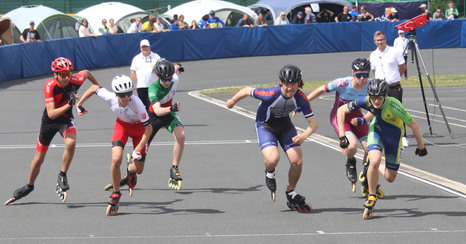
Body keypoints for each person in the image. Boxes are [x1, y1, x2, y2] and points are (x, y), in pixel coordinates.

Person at [4, 57, 100, 205]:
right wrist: (70, 104)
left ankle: (62, 175)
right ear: (55, 75)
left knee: (71, 143)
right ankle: (29, 185)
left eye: (68, 73)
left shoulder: (75, 80)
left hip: (65, 120)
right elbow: (51, 113)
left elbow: (86, 73)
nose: (67, 77)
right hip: (49, 122)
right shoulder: (49, 86)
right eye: (62, 74)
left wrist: (98, 87)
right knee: (38, 159)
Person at [226, 65, 317, 212]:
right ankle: (269, 171)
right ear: (281, 82)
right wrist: (232, 100)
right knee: (273, 159)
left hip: (285, 126)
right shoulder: (269, 93)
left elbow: (313, 123)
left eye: (293, 84)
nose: (289, 88)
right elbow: (246, 90)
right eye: (287, 84)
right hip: (265, 126)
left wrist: (304, 136)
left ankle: (290, 192)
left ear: (299, 83)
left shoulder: (301, 98)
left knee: (297, 161)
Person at [337, 79, 428, 219]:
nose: (376, 101)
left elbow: (414, 125)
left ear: (385, 96)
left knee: (389, 177)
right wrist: (342, 136)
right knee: (375, 160)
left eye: (379, 97)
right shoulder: (366, 100)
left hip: (394, 137)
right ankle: (372, 196)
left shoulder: (394, 105)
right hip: (377, 131)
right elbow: (341, 110)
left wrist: (421, 147)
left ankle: (370, 165)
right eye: (373, 97)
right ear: (369, 96)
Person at [76, 75, 152, 216]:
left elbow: (149, 129)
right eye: (123, 95)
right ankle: (116, 193)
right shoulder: (109, 97)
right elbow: (93, 88)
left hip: (139, 130)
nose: (127, 97)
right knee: (116, 159)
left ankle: (130, 169)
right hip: (122, 126)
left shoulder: (138, 104)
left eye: (129, 93)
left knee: (139, 170)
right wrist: (79, 104)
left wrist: (138, 149)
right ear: (116, 93)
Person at [301, 58, 372, 193]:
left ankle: (367, 177)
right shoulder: (342, 83)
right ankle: (350, 161)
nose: (362, 79)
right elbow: (321, 89)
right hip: (340, 118)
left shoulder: (370, 86)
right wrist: (305, 102)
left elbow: (375, 107)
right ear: (353, 73)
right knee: (352, 146)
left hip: (358, 118)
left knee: (371, 150)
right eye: (358, 75)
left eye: (365, 75)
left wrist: (365, 119)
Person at [147, 59, 186, 191]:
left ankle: (174, 168)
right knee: (141, 150)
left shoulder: (174, 78)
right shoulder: (153, 88)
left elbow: (174, 69)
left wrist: (177, 67)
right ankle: (131, 169)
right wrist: (172, 108)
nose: (168, 82)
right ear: (158, 77)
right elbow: (157, 111)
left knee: (181, 136)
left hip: (169, 114)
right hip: (154, 117)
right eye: (164, 80)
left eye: (169, 79)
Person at [369, 31, 408, 147]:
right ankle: (382, 135)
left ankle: (403, 136)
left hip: (393, 86)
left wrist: (394, 78)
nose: (380, 42)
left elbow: (402, 67)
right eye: (377, 40)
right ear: (374, 42)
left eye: (381, 40)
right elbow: (374, 70)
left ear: (385, 40)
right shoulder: (373, 54)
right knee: (379, 111)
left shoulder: (394, 51)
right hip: (380, 89)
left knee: (398, 110)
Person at [130, 39, 161, 110]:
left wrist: (156, 68)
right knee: (143, 106)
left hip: (153, 85)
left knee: (153, 105)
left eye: (146, 47)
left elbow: (160, 69)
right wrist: (131, 83)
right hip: (141, 86)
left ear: (149, 47)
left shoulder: (156, 56)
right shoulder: (136, 58)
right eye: (143, 47)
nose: (144, 49)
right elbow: (133, 72)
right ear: (140, 48)